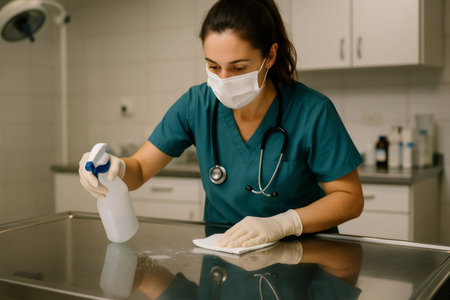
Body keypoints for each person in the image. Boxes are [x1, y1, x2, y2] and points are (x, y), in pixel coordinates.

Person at [79, 0, 364, 248]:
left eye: (238, 68)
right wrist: (115, 168)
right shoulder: (197, 104)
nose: (224, 79)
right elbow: (139, 170)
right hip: (224, 258)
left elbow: (349, 198)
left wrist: (284, 223)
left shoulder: (312, 111)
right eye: (213, 66)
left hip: (303, 259)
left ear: (270, 56)